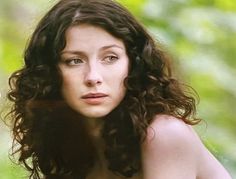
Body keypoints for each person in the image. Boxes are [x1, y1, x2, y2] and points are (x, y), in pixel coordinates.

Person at [6, 0, 232, 178]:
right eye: (74, 61)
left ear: (133, 65)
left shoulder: (164, 134)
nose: (93, 77)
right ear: (50, 73)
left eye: (110, 57)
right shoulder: (67, 145)